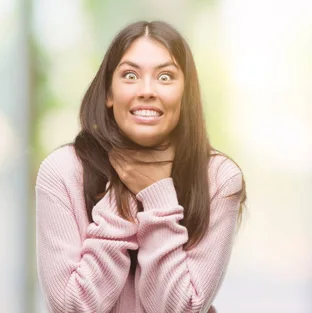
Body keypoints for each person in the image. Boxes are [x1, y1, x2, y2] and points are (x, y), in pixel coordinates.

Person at [35, 20, 247, 313]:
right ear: (109, 93)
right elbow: (73, 308)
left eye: (165, 76)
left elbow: (181, 309)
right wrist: (122, 199)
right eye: (130, 75)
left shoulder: (220, 179)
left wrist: (157, 194)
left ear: (185, 95)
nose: (147, 90)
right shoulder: (62, 171)